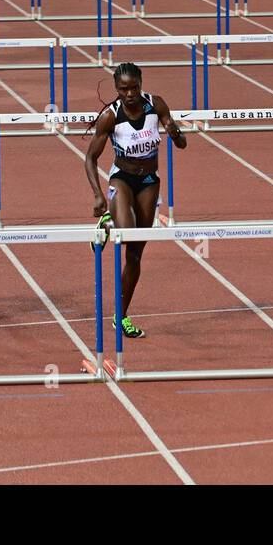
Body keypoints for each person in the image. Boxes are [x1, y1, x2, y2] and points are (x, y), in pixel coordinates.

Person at [84, 63, 187, 339]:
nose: (129, 93)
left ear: (141, 84)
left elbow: (181, 142)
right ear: (116, 89)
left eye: (133, 87)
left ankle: (121, 315)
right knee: (127, 233)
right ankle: (109, 221)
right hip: (122, 179)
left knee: (135, 254)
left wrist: (176, 133)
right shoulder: (111, 116)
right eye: (123, 89)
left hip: (149, 182)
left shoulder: (157, 105)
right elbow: (90, 158)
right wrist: (96, 194)